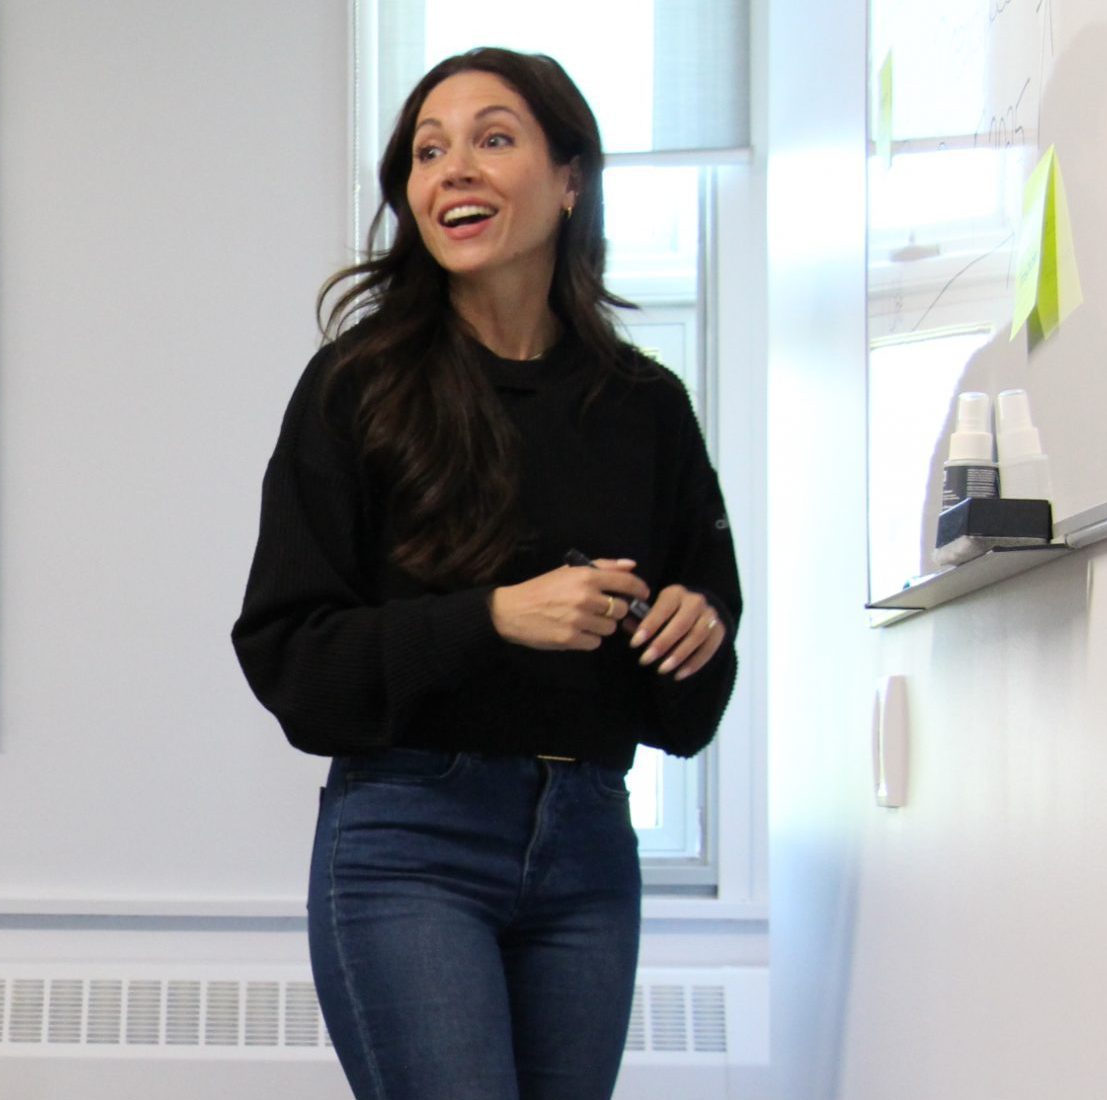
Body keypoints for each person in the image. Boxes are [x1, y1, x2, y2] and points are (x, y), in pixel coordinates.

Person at [230, 48, 741, 1099]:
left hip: (591, 838)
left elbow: (685, 711)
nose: (452, 170)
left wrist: (696, 627)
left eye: (492, 139)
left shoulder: (646, 407)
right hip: (409, 838)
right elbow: (289, 655)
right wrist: (493, 616)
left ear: (569, 179)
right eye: (427, 151)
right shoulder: (354, 389)